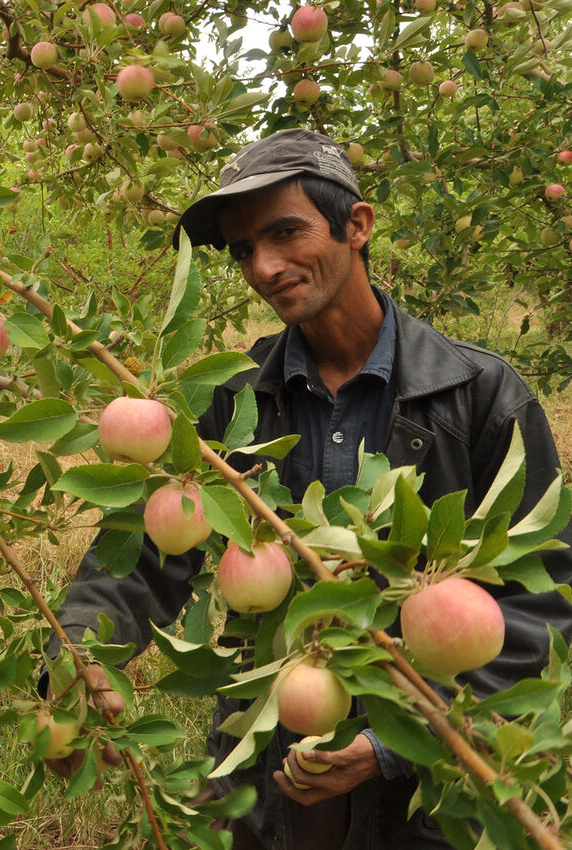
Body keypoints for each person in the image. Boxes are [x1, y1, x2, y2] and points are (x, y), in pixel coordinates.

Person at [51, 129, 572, 849]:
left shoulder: (480, 397)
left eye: (285, 232)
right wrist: (80, 653)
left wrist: (398, 741)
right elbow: (142, 555)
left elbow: (547, 607)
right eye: (241, 250)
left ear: (357, 225)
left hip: (430, 783)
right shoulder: (230, 406)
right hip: (269, 767)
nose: (263, 266)